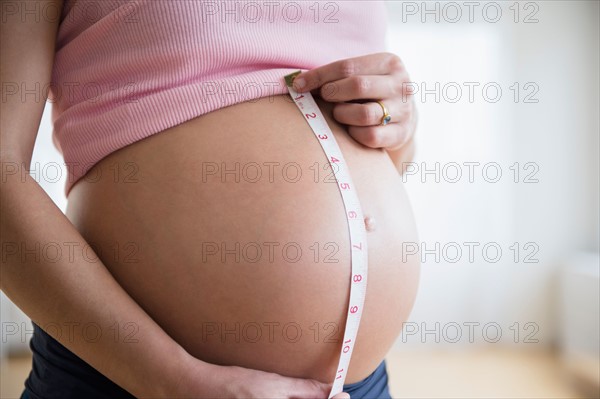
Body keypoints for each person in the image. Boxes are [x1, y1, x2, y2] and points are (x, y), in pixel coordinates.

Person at [1, 0, 420, 397]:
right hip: (137, 380)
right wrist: (170, 381)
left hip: (358, 384)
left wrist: (395, 124)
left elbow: (381, 156)